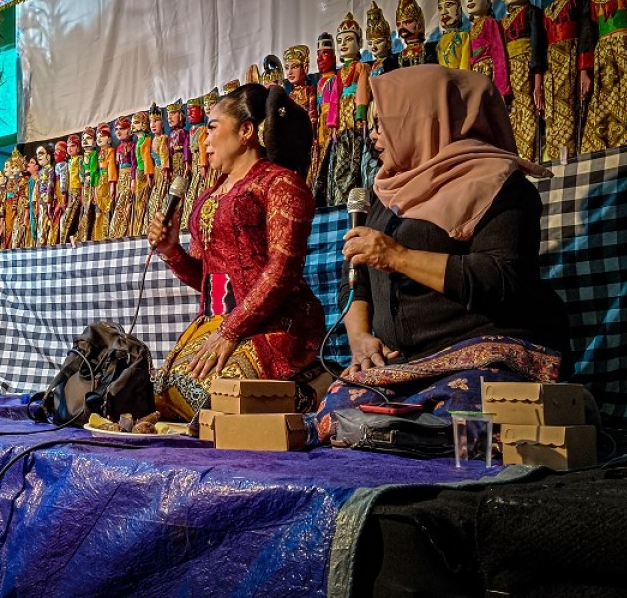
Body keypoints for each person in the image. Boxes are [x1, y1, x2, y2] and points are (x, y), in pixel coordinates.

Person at [310, 66, 568, 444]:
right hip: (406, 365)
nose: (374, 137)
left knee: (466, 422)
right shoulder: (385, 191)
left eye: (384, 124)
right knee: (335, 415)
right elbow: (358, 283)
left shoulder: (499, 185)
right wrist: (361, 338)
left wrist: (397, 256)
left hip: (483, 352)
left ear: (425, 120)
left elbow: (504, 279)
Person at [148, 83, 327, 420]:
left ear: (246, 131)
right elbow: (205, 276)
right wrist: (172, 251)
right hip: (217, 323)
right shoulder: (209, 197)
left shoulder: (280, 184)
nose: (205, 140)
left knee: (205, 400)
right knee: (158, 394)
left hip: (273, 325)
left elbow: (282, 270)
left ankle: (312, 388)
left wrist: (231, 331)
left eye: (212, 128)